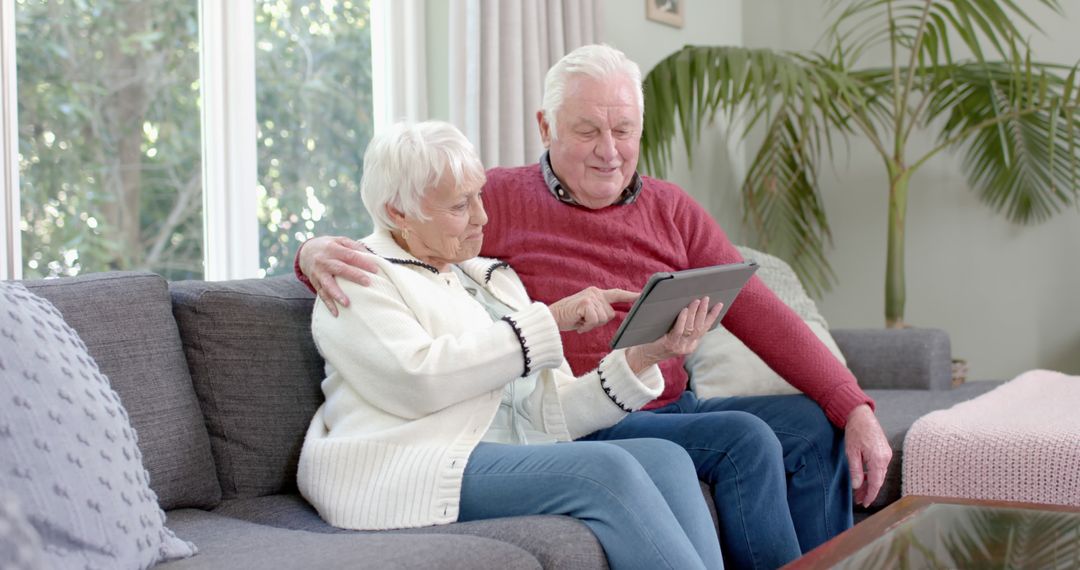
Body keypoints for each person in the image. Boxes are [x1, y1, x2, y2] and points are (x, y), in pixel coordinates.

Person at [297, 45, 892, 569]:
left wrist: (851, 405)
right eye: (588, 131)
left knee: (810, 426)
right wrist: (310, 253)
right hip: (576, 417)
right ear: (546, 127)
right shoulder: (493, 200)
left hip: (644, 400)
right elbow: (393, 241)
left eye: (624, 130)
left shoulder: (666, 211)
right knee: (740, 441)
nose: (610, 151)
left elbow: (760, 312)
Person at [297, 120, 725, 570]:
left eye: (478, 196)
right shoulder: (358, 277)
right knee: (607, 472)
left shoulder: (490, 279)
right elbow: (417, 381)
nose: (481, 216)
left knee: (668, 458)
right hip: (409, 465)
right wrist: (549, 321)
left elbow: (550, 414)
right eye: (460, 205)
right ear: (398, 212)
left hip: (501, 453)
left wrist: (645, 355)